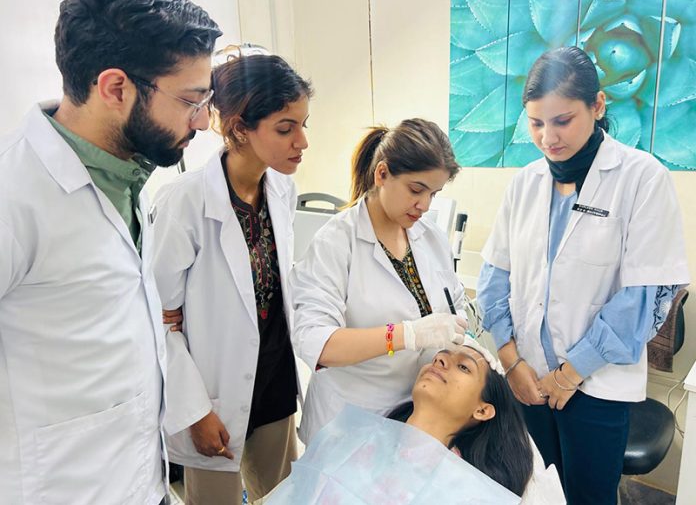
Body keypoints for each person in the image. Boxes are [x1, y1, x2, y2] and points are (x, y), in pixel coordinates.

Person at [0, 0, 221, 503]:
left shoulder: (126, 176)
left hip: (141, 481)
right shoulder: (14, 195)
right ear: (116, 88)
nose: (204, 120)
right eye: (192, 100)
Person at [477, 46, 690, 505]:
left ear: (597, 107)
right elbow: (496, 276)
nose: (547, 137)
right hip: (527, 378)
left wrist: (569, 375)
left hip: (595, 386)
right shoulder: (525, 182)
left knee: (589, 497)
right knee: (532, 491)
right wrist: (511, 361)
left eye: (562, 120)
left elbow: (642, 297)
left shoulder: (641, 178)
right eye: (536, 123)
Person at [151, 47, 312, 505]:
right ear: (239, 128)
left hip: (276, 382)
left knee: (284, 496)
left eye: (303, 125)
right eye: (286, 128)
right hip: (212, 397)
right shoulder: (183, 203)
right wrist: (193, 410)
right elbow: (161, 320)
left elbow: (276, 287)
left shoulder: (282, 187)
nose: (302, 142)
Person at [289, 118, 469, 444]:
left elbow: (452, 299)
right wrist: (406, 334)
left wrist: (457, 331)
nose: (425, 206)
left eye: (434, 193)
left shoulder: (430, 238)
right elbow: (320, 344)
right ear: (382, 174)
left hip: (411, 417)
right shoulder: (336, 241)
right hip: (348, 422)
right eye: (416, 190)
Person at [263, 340, 565, 504]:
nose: (440, 361)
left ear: (483, 410)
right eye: (440, 357)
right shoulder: (348, 441)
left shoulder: (470, 491)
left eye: (463, 366)